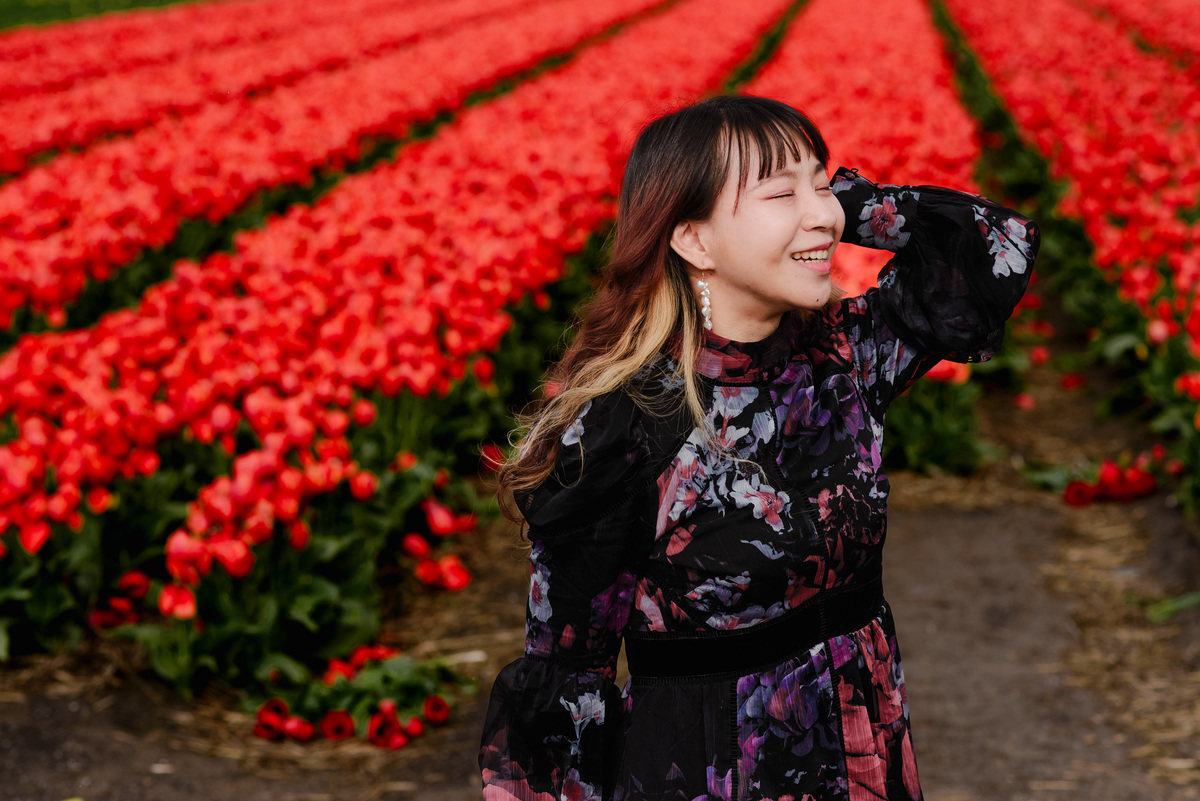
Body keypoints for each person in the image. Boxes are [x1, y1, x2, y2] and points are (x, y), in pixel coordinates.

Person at [478, 95, 1039, 801]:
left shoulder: (846, 358)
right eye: (780, 191)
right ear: (695, 240)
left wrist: (847, 208)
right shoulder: (626, 424)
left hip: (869, 765)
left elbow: (996, 246)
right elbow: (567, 677)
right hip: (711, 775)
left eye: (820, 179)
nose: (821, 211)